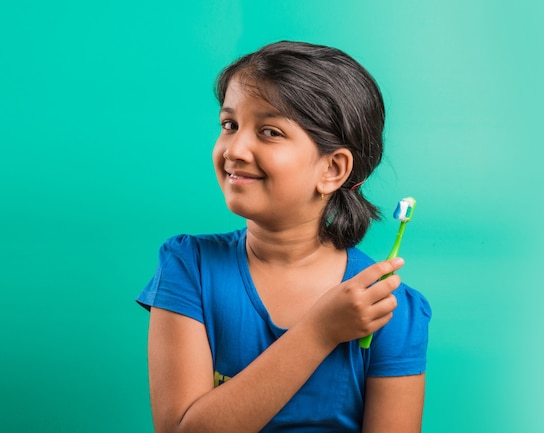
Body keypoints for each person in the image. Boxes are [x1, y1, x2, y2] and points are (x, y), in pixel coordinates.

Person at [137, 41, 431, 433]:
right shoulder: (189, 267)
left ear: (332, 169)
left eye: (270, 132)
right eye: (230, 125)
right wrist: (319, 332)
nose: (235, 149)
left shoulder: (387, 309)